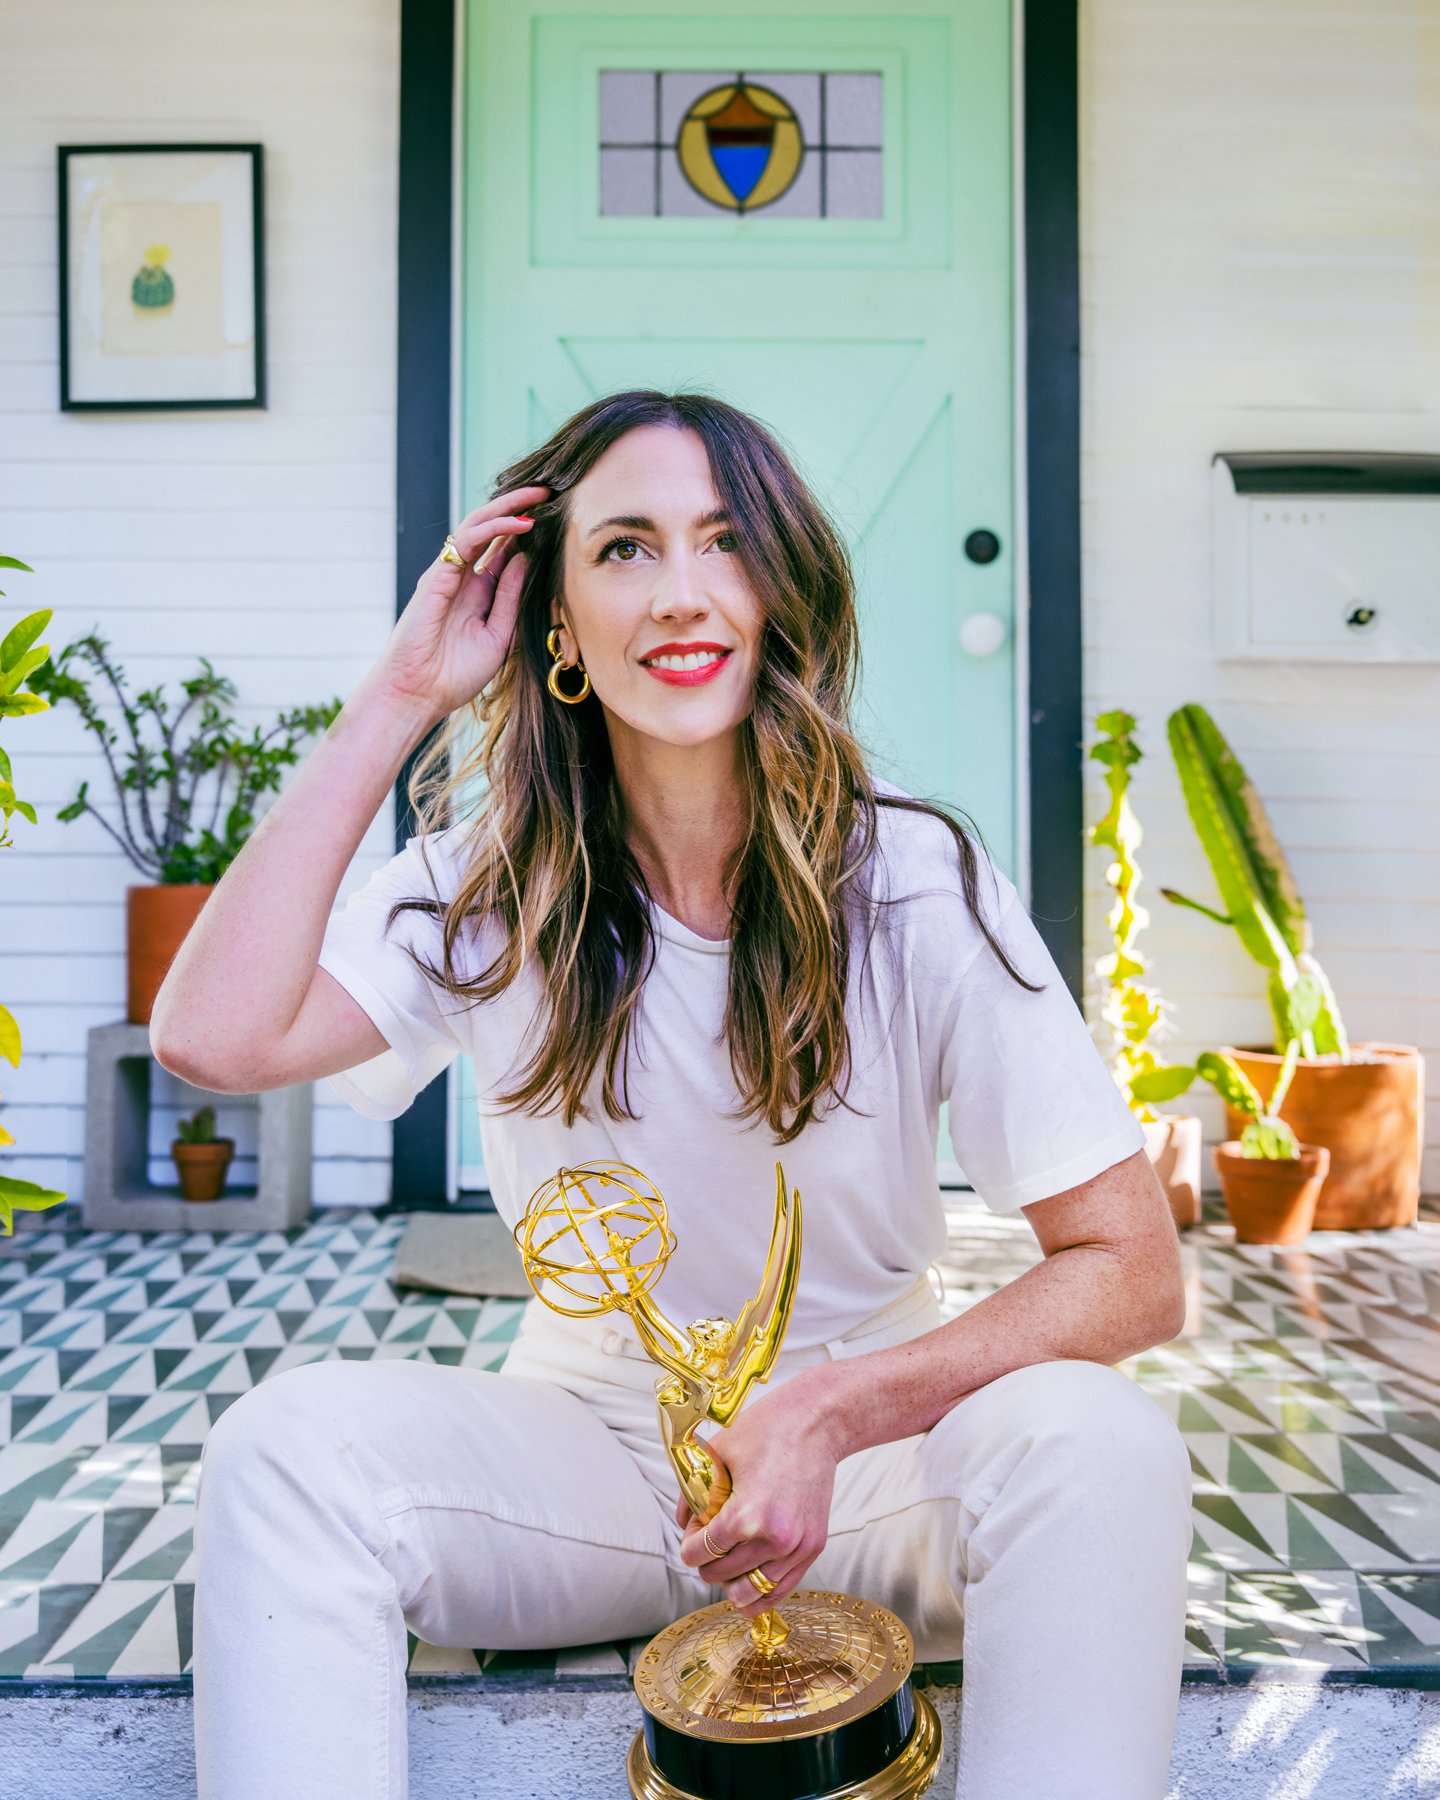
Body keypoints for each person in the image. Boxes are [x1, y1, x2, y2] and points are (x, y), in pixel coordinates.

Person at [152, 388, 1192, 1800]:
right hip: (585, 1460)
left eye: (723, 543)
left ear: (776, 592)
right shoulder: (489, 884)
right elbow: (211, 1039)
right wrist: (400, 695)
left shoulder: (914, 882)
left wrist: (834, 1409)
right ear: (557, 625)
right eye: (626, 550)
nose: (683, 593)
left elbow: (1132, 1269)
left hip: (873, 1473)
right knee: (281, 1453)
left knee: (1105, 1441)